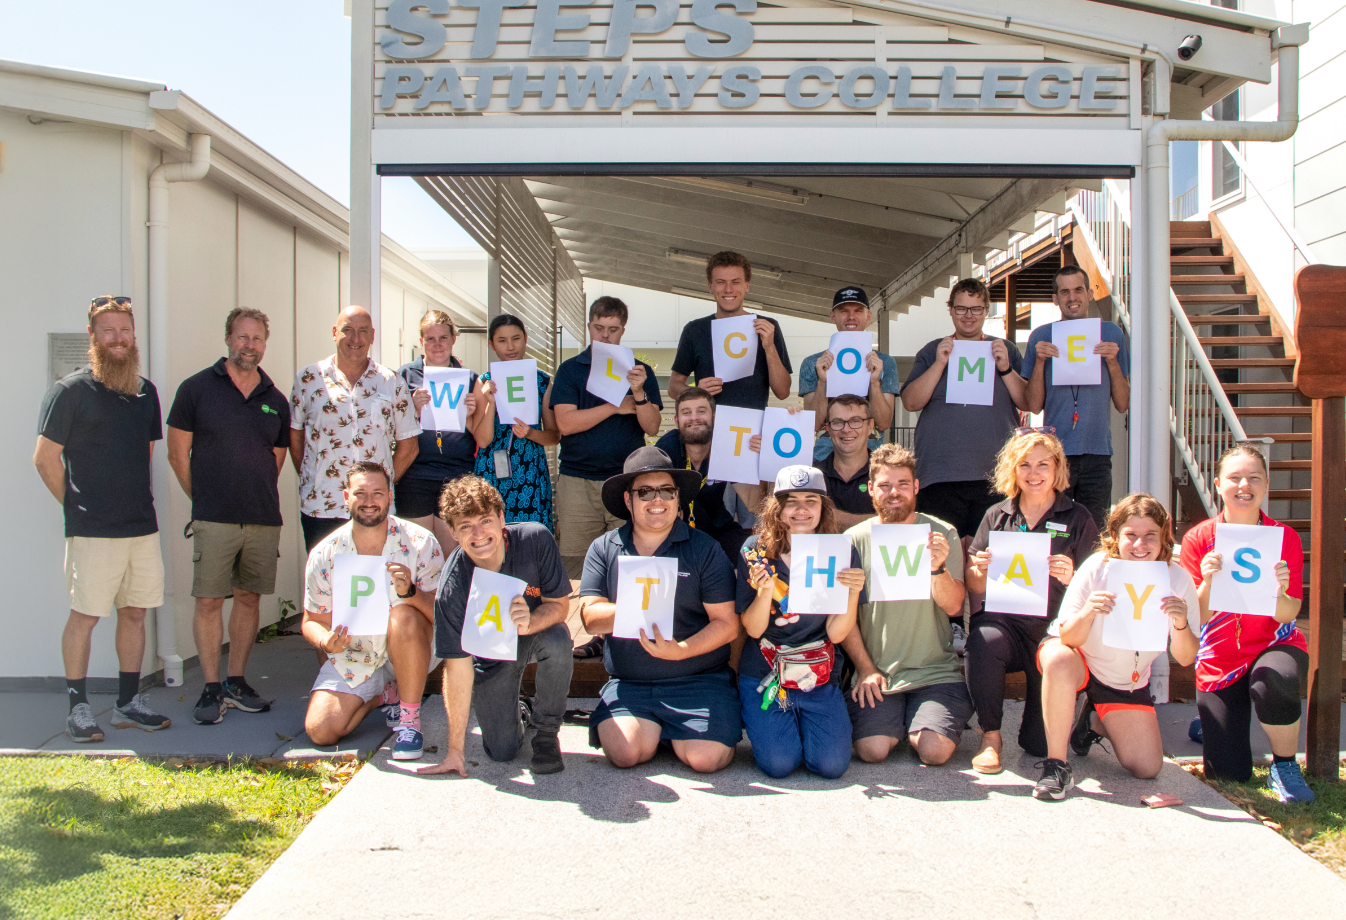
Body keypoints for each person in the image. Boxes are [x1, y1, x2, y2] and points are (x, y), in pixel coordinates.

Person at [34, 296, 171, 742]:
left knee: (134, 614)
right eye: (108, 330)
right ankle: (78, 709)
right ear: (92, 336)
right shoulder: (70, 391)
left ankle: (128, 704)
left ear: (134, 336)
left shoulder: (145, 392)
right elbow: (45, 459)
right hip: (93, 531)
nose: (118, 338)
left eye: (125, 330)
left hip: (140, 528)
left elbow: (144, 455)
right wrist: (73, 507)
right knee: (85, 616)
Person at [579, 447, 741, 773]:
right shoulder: (604, 547)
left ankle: (674, 734)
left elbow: (727, 624)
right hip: (631, 683)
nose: (657, 500)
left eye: (666, 490)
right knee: (625, 754)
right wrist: (640, 600)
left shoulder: (705, 549)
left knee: (706, 760)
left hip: (699, 679)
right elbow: (590, 618)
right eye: (645, 492)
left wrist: (680, 651)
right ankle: (655, 731)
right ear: (628, 500)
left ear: (677, 497)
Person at [167, 307, 290, 726]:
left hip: (260, 518)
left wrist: (248, 492)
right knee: (208, 600)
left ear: (264, 344)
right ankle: (211, 686)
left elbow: (276, 459)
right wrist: (203, 497)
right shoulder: (196, 389)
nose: (249, 345)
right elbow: (176, 453)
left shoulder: (275, 399)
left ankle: (236, 680)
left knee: (249, 598)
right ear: (227, 338)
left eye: (257, 339)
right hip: (214, 517)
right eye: (242, 337)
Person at [1034, 494, 1198, 800]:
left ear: (1164, 536)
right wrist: (1088, 612)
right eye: (1131, 536)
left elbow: (1187, 658)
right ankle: (1056, 766)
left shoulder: (1178, 578)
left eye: (1151, 535)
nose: (1140, 545)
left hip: (1124, 681)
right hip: (1081, 660)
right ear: (1115, 536)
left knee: (1148, 767)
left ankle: (1094, 720)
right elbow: (1067, 636)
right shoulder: (1097, 567)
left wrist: (1180, 623)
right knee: (1057, 657)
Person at [1181, 444, 1314, 803]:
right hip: (1220, 658)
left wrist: (1282, 590)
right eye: (1235, 477)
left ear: (1266, 484)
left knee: (1273, 681)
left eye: (1254, 478)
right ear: (1219, 483)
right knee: (1228, 774)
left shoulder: (1284, 537)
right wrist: (1207, 582)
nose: (1244, 485)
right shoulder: (1199, 538)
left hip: (1273, 644)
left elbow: (1288, 613)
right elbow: (1200, 616)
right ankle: (1211, 723)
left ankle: (1284, 766)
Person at [418, 477, 573, 777]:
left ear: (502, 518)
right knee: (502, 752)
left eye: (486, 520)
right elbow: (457, 667)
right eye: (465, 526)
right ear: (451, 531)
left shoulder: (536, 539)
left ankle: (546, 734)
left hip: (531, 636)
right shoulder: (451, 587)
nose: (479, 534)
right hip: (489, 660)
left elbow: (560, 606)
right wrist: (455, 751)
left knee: (558, 638)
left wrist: (531, 622)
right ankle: (521, 711)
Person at [963, 430, 1098, 773]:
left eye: (1043, 464)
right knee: (982, 640)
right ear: (1013, 468)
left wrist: (1072, 577)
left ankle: (1084, 717)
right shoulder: (997, 515)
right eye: (1025, 464)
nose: (1034, 473)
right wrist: (979, 570)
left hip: (1053, 630)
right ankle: (990, 737)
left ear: (1057, 469)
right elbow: (974, 582)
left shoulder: (1077, 516)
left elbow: (1095, 584)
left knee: (1039, 745)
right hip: (1003, 623)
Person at [300, 462, 443, 760]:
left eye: (377, 493)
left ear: (390, 496)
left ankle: (409, 721)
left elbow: (444, 616)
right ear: (345, 497)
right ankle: (383, 696)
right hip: (355, 655)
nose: (369, 501)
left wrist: (411, 594)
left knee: (402, 614)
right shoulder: (325, 554)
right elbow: (312, 620)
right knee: (321, 730)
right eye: (360, 493)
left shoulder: (420, 542)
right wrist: (325, 640)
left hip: (411, 647)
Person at [843, 444, 972, 766]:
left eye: (902, 484)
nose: (894, 493)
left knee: (934, 751)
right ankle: (896, 719)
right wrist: (866, 669)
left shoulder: (941, 533)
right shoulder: (853, 540)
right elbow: (843, 618)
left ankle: (922, 719)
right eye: (885, 485)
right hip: (879, 674)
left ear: (915, 487)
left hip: (935, 673)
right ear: (871, 489)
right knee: (872, 751)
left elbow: (955, 606)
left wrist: (937, 568)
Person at [737, 466, 864, 779]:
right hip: (766, 675)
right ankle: (782, 724)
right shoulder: (755, 551)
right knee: (779, 764)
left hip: (817, 673)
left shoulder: (841, 551)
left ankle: (804, 722)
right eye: (791, 502)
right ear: (778, 510)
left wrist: (852, 593)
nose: (802, 510)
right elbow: (753, 629)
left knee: (832, 766)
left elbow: (836, 633)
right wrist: (765, 592)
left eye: (811, 501)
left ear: (823, 508)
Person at [900, 277, 1028, 537]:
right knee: (943, 561)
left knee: (988, 562)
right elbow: (911, 402)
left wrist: (1004, 367)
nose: (968, 316)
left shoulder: (1006, 350)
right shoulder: (932, 350)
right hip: (940, 475)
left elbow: (1028, 402)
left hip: (996, 477)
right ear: (950, 310)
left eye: (976, 309)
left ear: (986, 310)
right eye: (961, 308)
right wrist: (939, 364)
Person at [290, 305, 420, 553]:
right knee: (326, 582)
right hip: (321, 505)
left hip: (375, 509)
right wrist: (315, 476)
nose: (355, 339)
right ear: (334, 332)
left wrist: (382, 486)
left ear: (372, 335)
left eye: (362, 332)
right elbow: (295, 437)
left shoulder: (391, 381)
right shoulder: (308, 379)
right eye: (347, 330)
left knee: (375, 582)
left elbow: (409, 446)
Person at [551, 296, 663, 576]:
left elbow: (652, 427)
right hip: (576, 480)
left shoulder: (640, 372)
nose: (605, 335)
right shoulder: (570, 369)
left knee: (629, 562)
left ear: (623, 330)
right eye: (599, 327)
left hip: (624, 481)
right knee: (576, 565)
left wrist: (638, 393)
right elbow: (565, 424)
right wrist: (615, 407)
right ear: (589, 326)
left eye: (612, 329)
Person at [1021, 265, 1130, 527]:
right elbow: (1033, 405)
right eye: (1065, 292)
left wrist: (1113, 362)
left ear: (1090, 293)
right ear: (1055, 299)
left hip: (1097, 453)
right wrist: (1039, 362)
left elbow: (1123, 403)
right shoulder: (1041, 336)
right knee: (1055, 531)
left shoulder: (1111, 334)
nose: (1073, 297)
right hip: (1055, 457)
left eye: (1079, 289)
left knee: (1094, 532)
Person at [397, 309, 487, 554]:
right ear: (421, 341)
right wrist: (411, 411)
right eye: (430, 338)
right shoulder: (403, 376)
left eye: (443, 338)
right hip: (416, 476)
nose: (437, 344)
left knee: (453, 556)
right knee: (417, 554)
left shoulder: (470, 379)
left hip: (457, 475)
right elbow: (391, 427)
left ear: (453, 339)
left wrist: (470, 414)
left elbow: (480, 435)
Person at [668, 251, 792, 410]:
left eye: (735, 282)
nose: (728, 289)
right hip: (709, 429)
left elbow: (783, 392)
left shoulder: (767, 326)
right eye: (720, 282)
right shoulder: (694, 330)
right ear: (710, 287)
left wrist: (769, 347)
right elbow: (673, 387)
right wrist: (697, 392)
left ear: (746, 286)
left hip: (752, 429)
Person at [474, 314, 559, 531]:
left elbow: (554, 435)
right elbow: (482, 440)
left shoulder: (542, 381)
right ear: (491, 344)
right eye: (502, 341)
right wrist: (490, 402)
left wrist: (530, 433)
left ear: (526, 339)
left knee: (531, 539)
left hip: (530, 471)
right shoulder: (483, 381)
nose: (510, 347)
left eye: (516, 338)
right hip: (492, 471)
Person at [654, 387, 756, 562]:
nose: (694, 417)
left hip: (718, 528)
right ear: (677, 421)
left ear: (714, 417)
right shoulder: (666, 449)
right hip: (677, 530)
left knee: (752, 558)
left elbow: (754, 503)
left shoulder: (728, 446)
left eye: (701, 411)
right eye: (686, 413)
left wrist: (756, 460)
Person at [799, 286, 900, 460]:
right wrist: (823, 382)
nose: (851, 317)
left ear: (868, 316)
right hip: (826, 454)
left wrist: (874, 382)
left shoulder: (885, 363)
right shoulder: (813, 363)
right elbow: (814, 425)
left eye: (858, 311)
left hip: (872, 453)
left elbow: (883, 423)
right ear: (833, 316)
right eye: (844, 311)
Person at [817, 395, 877, 530]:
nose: (846, 429)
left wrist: (829, 516)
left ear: (870, 426)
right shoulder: (813, 473)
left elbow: (896, 522)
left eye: (855, 421)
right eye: (838, 422)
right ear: (828, 428)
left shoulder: (886, 473)